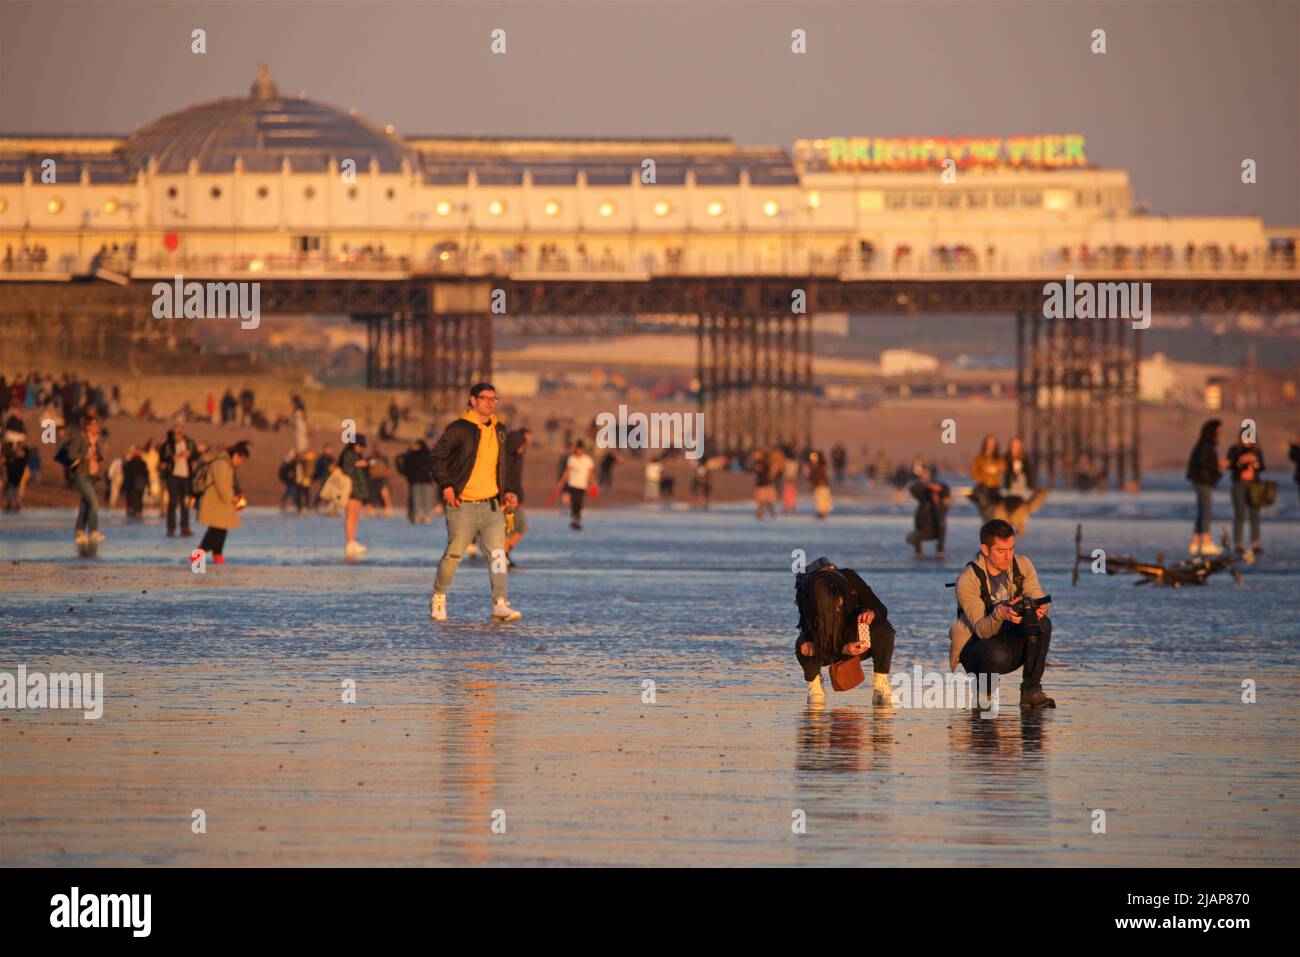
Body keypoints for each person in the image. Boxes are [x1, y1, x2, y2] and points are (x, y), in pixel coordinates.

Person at [428, 382, 523, 623]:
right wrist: (447, 486)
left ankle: (500, 603)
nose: (490, 402)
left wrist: (509, 491)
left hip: (492, 505)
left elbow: (505, 465)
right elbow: (437, 458)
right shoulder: (459, 428)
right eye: (484, 398)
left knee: (498, 555)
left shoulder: (500, 430)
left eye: (493, 399)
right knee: (454, 554)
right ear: (472, 400)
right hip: (463, 504)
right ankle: (439, 597)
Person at [948, 519, 1056, 709]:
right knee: (994, 653)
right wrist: (1001, 613)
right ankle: (984, 693)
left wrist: (1039, 608)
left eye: (1011, 549)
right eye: (1001, 551)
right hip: (977, 648)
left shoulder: (1022, 565)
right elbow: (981, 630)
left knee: (1043, 623)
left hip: (1009, 642)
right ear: (985, 549)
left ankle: (1031, 691)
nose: (1008, 557)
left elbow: (1036, 594)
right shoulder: (967, 579)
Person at [795, 558, 895, 704]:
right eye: (833, 603)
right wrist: (842, 649)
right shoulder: (807, 595)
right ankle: (815, 684)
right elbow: (811, 634)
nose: (839, 604)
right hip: (825, 644)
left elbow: (881, 609)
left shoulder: (849, 577)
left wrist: (872, 612)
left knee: (884, 629)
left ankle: (881, 682)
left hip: (851, 637)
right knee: (804, 646)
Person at [196, 441, 250, 565]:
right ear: (236, 455)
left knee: (221, 530)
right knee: (215, 531)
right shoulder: (220, 463)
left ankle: (218, 557)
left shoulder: (226, 464)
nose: (241, 464)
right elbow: (222, 485)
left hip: (221, 503)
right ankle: (197, 557)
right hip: (215, 502)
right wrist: (232, 499)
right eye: (241, 460)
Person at [1185, 419, 1226, 555]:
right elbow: (1204, 464)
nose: (1221, 432)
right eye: (1219, 429)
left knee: (1202, 511)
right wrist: (1218, 467)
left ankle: (1195, 543)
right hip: (1203, 481)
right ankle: (1206, 542)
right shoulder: (1206, 445)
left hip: (1200, 480)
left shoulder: (1203, 444)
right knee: (1206, 511)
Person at [66, 416, 105, 545]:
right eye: (93, 425)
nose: (96, 427)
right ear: (87, 426)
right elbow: (71, 454)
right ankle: (93, 531)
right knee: (93, 501)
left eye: (96, 424)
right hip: (81, 474)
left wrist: (98, 456)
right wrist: (85, 456)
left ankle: (80, 531)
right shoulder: (80, 438)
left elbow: (100, 456)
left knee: (86, 504)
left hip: (92, 475)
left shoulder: (96, 440)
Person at [1225, 432, 1266, 555]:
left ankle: (1255, 543)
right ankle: (1238, 544)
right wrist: (1240, 461)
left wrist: (1255, 462)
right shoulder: (1234, 450)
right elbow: (1231, 465)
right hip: (1239, 484)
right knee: (1240, 513)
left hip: (1254, 485)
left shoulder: (1257, 451)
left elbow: (1261, 467)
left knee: (1255, 513)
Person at [159, 423, 196, 536]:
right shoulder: (167, 445)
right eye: (175, 433)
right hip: (173, 476)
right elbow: (162, 458)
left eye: (179, 433)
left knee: (185, 503)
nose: (177, 436)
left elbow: (196, 455)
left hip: (186, 476)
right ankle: (171, 528)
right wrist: (174, 457)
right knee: (172, 502)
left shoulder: (189, 443)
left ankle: (184, 527)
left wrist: (190, 455)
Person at [502, 428, 532, 567]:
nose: (524, 447)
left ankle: (505, 554)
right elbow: (504, 481)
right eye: (522, 444)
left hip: (516, 500)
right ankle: (503, 556)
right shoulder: (506, 460)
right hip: (509, 501)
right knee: (510, 529)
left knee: (518, 528)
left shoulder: (516, 456)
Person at [338, 436, 372, 559]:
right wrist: (357, 464)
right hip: (350, 489)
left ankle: (353, 541)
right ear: (355, 444)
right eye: (360, 446)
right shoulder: (348, 454)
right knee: (350, 516)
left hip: (358, 489)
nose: (361, 449)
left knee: (355, 516)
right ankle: (350, 542)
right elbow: (345, 469)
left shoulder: (357, 455)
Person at [906, 464, 949, 557]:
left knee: (942, 526)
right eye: (923, 474)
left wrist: (938, 489)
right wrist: (927, 486)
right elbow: (913, 489)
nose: (925, 476)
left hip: (936, 523)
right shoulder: (920, 488)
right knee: (911, 538)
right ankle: (918, 551)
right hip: (924, 521)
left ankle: (940, 549)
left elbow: (946, 490)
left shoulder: (938, 485)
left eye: (926, 473)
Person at [558, 439, 596, 530]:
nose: (578, 451)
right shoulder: (572, 459)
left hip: (582, 485)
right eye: (577, 450)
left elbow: (590, 473)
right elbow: (568, 471)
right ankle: (573, 520)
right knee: (573, 502)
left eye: (580, 450)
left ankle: (577, 520)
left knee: (579, 503)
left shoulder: (588, 460)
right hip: (573, 484)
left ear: (583, 450)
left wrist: (593, 484)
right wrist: (561, 481)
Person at [969, 433, 1005, 522]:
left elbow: (1003, 468)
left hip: (994, 489)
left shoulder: (999, 458)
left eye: (992, 442)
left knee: (992, 511)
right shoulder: (979, 458)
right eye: (988, 442)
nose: (990, 445)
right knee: (985, 512)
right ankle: (987, 530)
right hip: (983, 489)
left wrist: (995, 468)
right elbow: (974, 475)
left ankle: (990, 529)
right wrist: (983, 473)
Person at [123, 446, 149, 518]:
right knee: (138, 498)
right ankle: (137, 511)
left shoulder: (133, 463)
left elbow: (125, 471)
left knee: (136, 498)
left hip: (135, 483)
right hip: (137, 483)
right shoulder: (141, 463)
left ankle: (136, 511)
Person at [750, 448, 776, 519]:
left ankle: (768, 514)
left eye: (757, 454)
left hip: (764, 485)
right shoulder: (760, 462)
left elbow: (763, 471)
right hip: (763, 484)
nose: (755, 455)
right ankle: (764, 514)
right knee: (763, 502)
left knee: (766, 501)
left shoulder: (761, 463)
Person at [809, 451, 832, 519]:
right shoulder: (814, 465)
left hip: (822, 485)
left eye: (814, 456)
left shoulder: (821, 465)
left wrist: (820, 481)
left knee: (822, 499)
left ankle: (823, 512)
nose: (812, 458)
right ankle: (821, 512)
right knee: (819, 499)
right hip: (818, 485)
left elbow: (822, 475)